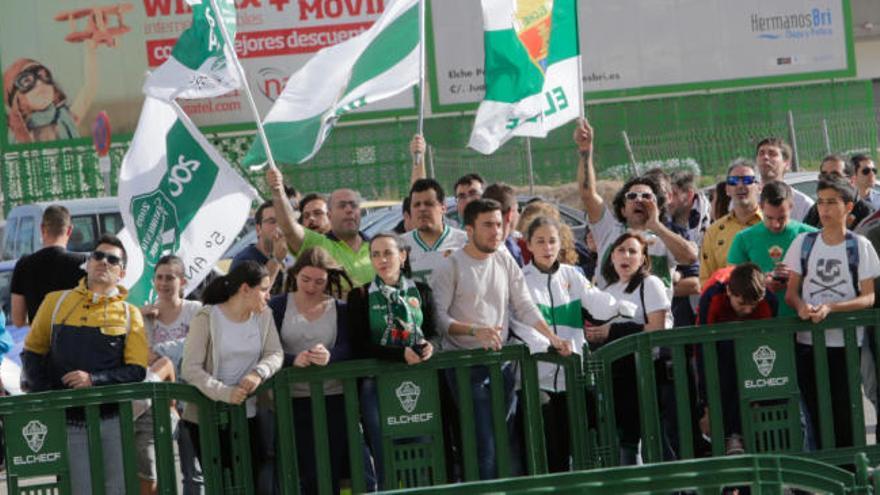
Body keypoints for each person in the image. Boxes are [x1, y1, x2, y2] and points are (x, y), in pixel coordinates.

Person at [432, 198, 572, 480]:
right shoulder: (451, 266)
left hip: (503, 364)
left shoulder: (505, 258)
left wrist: (552, 337)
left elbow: (524, 304)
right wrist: (474, 331)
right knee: (485, 445)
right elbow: (440, 320)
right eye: (488, 225)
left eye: (499, 224)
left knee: (508, 442)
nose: (496, 231)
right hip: (465, 365)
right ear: (469, 229)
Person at [22, 234, 148, 495]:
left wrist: (93, 379)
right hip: (67, 422)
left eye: (112, 259)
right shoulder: (55, 301)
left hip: (113, 420)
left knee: (117, 489)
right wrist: (49, 401)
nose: (103, 262)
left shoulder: (130, 314)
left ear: (121, 272)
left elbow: (137, 371)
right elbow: (32, 354)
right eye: (97, 256)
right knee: (79, 490)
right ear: (88, 263)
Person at [522, 216, 634, 471]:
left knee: (584, 443)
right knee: (552, 451)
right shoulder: (522, 279)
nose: (547, 247)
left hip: (575, 377)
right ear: (529, 245)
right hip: (540, 380)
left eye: (552, 241)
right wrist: (547, 344)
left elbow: (596, 301)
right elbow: (520, 322)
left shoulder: (572, 274)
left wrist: (619, 308)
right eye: (540, 241)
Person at [784, 175, 880, 450]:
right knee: (814, 415)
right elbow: (792, 292)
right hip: (808, 343)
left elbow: (868, 297)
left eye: (832, 203)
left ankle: (851, 477)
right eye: (821, 202)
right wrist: (803, 307)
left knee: (846, 414)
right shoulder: (804, 242)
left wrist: (831, 308)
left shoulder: (859, 245)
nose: (824, 209)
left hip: (847, 345)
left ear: (848, 207)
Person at [267, 247, 374, 493]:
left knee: (332, 468)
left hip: (334, 398)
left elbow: (352, 347)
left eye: (319, 281)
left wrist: (331, 356)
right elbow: (265, 350)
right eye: (305, 279)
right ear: (295, 275)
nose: (311, 286)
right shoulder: (278, 306)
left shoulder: (340, 308)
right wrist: (293, 359)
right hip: (292, 399)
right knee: (301, 470)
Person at [181, 261, 283, 493]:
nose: (269, 296)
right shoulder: (206, 317)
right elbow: (191, 368)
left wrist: (259, 372)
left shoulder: (265, 315)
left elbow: (275, 353)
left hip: (251, 414)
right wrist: (225, 393)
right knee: (222, 487)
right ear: (245, 289)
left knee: (255, 483)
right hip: (207, 417)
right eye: (264, 289)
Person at [347, 233, 436, 487]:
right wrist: (398, 354)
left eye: (388, 253)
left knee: (419, 456)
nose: (382, 259)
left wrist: (431, 346)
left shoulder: (421, 290)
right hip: (376, 386)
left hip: (419, 381)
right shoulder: (360, 295)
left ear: (403, 255)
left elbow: (434, 333)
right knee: (385, 456)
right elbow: (359, 344)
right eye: (375, 254)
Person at [574, 118, 697, 294]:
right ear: (623, 208)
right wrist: (585, 150)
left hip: (655, 321)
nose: (639, 200)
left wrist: (655, 226)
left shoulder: (667, 237)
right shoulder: (608, 230)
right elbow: (587, 194)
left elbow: (690, 257)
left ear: (658, 205)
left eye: (647, 196)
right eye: (632, 196)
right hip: (613, 319)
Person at [585, 232, 672, 465]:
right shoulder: (608, 290)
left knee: (658, 440)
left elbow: (656, 328)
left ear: (643, 258)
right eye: (621, 250)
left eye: (633, 251)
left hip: (648, 373)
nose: (626, 256)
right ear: (611, 256)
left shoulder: (650, 283)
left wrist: (611, 332)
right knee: (627, 441)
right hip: (619, 377)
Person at [696, 263, 777, 455]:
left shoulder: (770, 301)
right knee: (723, 361)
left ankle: (753, 430)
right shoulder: (712, 295)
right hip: (719, 342)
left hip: (751, 343)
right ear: (729, 292)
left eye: (753, 305)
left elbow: (769, 346)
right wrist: (707, 407)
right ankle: (730, 434)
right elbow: (702, 352)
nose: (748, 310)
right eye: (742, 304)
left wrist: (760, 396)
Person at [138, 255, 203, 495]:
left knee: (193, 471)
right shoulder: (144, 316)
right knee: (158, 472)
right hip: (161, 406)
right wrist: (139, 315)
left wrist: (162, 354)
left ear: (183, 281)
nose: (164, 283)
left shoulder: (196, 310)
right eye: (160, 278)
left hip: (193, 399)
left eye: (170, 278)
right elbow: (143, 357)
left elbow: (198, 349)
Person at [267, 167, 374, 288]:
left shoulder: (377, 247)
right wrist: (278, 191)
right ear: (330, 215)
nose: (349, 210)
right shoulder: (318, 245)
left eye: (353, 205)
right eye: (342, 206)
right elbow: (288, 226)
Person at [728, 181, 816, 316]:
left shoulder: (811, 236)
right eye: (769, 218)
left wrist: (796, 278)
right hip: (761, 321)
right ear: (761, 206)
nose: (775, 224)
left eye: (782, 218)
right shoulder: (743, 238)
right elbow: (732, 281)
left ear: (791, 207)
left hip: (804, 318)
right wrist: (761, 282)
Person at [4, 41, 98, 143]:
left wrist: (91, 50)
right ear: (16, 99)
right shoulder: (10, 132)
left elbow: (90, 87)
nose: (39, 83)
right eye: (27, 81)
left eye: (44, 76)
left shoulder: (66, 117)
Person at [10, 204, 86, 327]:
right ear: (69, 230)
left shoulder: (23, 265)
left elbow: (18, 320)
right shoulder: (83, 263)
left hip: (38, 342)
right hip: (73, 341)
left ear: (42, 228)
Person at [700, 159, 762, 285]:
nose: (740, 186)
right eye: (733, 181)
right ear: (727, 189)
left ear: (759, 187)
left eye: (747, 180)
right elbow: (706, 279)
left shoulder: (772, 224)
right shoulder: (714, 231)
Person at [400, 178, 468, 285]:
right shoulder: (399, 246)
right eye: (416, 205)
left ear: (443, 208)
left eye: (428, 204)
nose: (422, 209)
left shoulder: (465, 242)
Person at [230, 200, 289, 295]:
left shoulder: (287, 259)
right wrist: (276, 259)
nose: (278, 227)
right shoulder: (244, 261)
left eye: (282, 221)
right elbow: (250, 298)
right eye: (272, 221)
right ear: (258, 229)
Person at [803, 155, 874, 229]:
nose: (828, 180)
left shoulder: (867, 213)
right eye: (824, 175)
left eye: (835, 176)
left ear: (852, 180)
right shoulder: (816, 209)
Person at [755, 137, 813, 220]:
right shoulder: (747, 201)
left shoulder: (803, 205)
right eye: (761, 153)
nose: (765, 157)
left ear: (787, 164)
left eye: (772, 154)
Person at [668, 170, 711, 249]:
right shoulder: (661, 220)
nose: (668, 200)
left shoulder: (712, 220)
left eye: (674, 194)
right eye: (666, 194)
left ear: (689, 194)